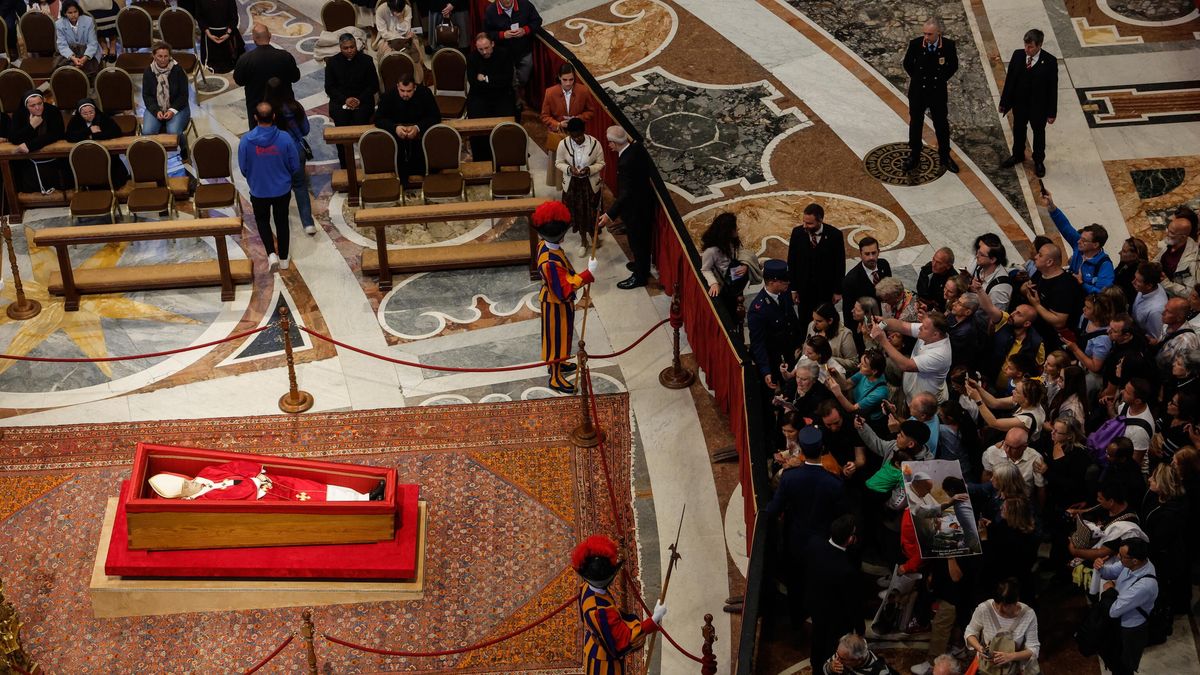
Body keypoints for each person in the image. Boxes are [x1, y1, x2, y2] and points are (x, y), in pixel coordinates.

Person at [763, 425, 846, 623]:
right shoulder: (833, 482)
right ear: (822, 448)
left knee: (795, 580)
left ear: (802, 448)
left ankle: (796, 616)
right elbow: (841, 514)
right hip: (823, 539)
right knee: (817, 580)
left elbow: (774, 509)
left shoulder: (790, 477)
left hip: (796, 537)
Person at [571, 535, 665, 675]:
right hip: (604, 661)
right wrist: (654, 619)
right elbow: (626, 639)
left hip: (592, 647)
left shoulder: (585, 587)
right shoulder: (602, 612)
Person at [531, 201, 597, 394]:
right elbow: (564, 289)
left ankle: (559, 363)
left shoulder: (544, 244)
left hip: (556, 301)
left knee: (563, 336)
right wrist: (587, 274)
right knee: (556, 340)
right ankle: (555, 376)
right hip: (555, 303)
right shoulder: (550, 261)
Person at [239, 102, 299, 273]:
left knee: (262, 220)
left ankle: (271, 253)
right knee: (281, 221)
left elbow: (243, 168)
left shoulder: (245, 141)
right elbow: (295, 165)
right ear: (274, 116)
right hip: (281, 189)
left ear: (255, 117)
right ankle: (284, 258)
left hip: (259, 190)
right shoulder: (285, 138)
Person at [148, 461, 385, 501]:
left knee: (317, 487)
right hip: (270, 496)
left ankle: (363, 495)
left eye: (187, 481)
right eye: (187, 488)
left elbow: (233, 467)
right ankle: (365, 505)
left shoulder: (206, 472)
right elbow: (235, 496)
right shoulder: (204, 500)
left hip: (271, 481)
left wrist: (257, 473)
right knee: (316, 500)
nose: (193, 484)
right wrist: (255, 483)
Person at [805, 515, 864, 671]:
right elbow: (853, 602)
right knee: (834, 650)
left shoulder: (814, 544)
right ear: (850, 539)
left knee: (818, 639)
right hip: (837, 618)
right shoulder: (847, 570)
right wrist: (860, 629)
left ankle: (816, 665)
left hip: (816, 607)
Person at [598, 126, 653, 289]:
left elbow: (626, 193)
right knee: (640, 242)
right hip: (644, 202)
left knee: (638, 243)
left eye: (610, 143)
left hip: (637, 209)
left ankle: (640, 276)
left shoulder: (625, 162)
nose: (609, 146)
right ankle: (640, 266)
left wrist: (609, 214)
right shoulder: (636, 148)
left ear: (615, 143)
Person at [902, 17, 959, 173]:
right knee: (915, 123)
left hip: (937, 92)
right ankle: (914, 155)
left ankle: (945, 156)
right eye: (925, 34)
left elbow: (953, 65)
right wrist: (917, 78)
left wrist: (941, 79)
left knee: (941, 124)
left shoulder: (947, 45)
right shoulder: (916, 44)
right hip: (918, 91)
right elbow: (907, 63)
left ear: (938, 33)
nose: (926, 37)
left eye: (930, 34)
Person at [998, 29, 1057, 178]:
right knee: (1018, 129)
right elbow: (1010, 80)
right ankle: (1018, 155)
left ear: (1039, 45)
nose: (1026, 49)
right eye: (1025, 45)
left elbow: (1052, 89)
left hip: (1039, 108)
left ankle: (1038, 161)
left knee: (1038, 133)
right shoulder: (1018, 56)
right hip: (1020, 105)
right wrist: (1004, 102)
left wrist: (1051, 112)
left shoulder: (1049, 61)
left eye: (1030, 47)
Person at [1096, 538, 1158, 675]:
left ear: (1135, 560)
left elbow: (1113, 610)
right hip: (1119, 622)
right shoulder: (1131, 563)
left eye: (1122, 556)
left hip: (1130, 630)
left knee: (1124, 667)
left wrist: (1110, 590)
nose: (1118, 557)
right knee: (1114, 659)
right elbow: (1109, 573)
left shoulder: (1145, 585)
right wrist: (1100, 566)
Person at [264, 77, 315, 236]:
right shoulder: (295, 106)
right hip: (296, 150)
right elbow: (305, 130)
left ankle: (282, 226)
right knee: (300, 186)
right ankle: (308, 224)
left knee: (280, 188)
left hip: (275, 152)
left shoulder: (266, 111)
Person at [374, 72, 441, 187]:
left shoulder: (425, 93)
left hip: (420, 135)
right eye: (402, 91)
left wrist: (417, 127)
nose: (405, 94)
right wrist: (395, 128)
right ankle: (403, 183)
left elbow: (435, 117)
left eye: (409, 91)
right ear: (397, 87)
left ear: (415, 87)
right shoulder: (389, 95)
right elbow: (379, 119)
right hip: (398, 136)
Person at [324, 33, 379, 170]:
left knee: (362, 128)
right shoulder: (332, 63)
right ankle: (345, 166)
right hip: (341, 101)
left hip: (362, 99)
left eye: (352, 47)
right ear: (340, 48)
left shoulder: (367, 60)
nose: (349, 50)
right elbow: (329, 88)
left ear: (356, 46)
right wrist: (345, 99)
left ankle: (368, 163)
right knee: (341, 132)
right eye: (345, 48)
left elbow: (373, 85)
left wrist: (359, 99)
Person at [788, 202, 845, 332]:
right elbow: (792, 261)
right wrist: (794, 289)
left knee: (826, 320)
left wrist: (838, 290)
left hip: (825, 290)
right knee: (804, 321)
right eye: (804, 222)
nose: (805, 226)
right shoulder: (797, 233)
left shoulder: (835, 235)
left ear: (820, 220)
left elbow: (840, 264)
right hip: (804, 290)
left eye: (809, 223)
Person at [870, 313, 952, 401]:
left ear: (935, 335)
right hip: (912, 394)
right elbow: (902, 326)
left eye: (924, 327)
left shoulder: (939, 355)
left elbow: (906, 365)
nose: (920, 328)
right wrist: (881, 324)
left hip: (925, 404)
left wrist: (883, 341)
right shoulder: (930, 331)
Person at [964, 579, 1040, 673]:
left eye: (1005, 606)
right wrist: (980, 648)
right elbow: (970, 632)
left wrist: (1011, 656)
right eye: (997, 604)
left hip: (1012, 669)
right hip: (986, 667)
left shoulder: (1028, 615)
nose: (1000, 609)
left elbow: (1033, 649)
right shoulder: (985, 609)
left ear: (1016, 601)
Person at [1140, 463, 1187, 614]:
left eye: (1154, 479)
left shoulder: (1171, 512)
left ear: (1162, 483)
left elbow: (1160, 540)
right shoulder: (1156, 497)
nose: (1149, 480)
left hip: (1166, 558)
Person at [747, 260, 801, 393]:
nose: (788, 283)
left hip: (790, 351)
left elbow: (792, 320)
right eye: (784, 281)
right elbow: (758, 343)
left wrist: (799, 343)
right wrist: (765, 370)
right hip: (775, 358)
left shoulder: (784, 292)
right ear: (772, 282)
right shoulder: (758, 309)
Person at [234, 24, 300, 130]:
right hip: (283, 108)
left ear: (254, 39)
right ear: (270, 35)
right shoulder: (285, 56)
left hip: (259, 111)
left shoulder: (244, 60)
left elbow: (239, 81)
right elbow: (295, 78)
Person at [1045, 191, 1113, 294]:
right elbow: (1065, 227)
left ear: (1095, 245)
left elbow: (1103, 294)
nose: (1078, 241)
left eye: (1084, 240)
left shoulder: (1105, 266)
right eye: (1080, 238)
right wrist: (1052, 206)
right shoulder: (1079, 246)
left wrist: (1081, 283)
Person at [555, 117, 606, 255]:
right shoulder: (563, 144)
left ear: (584, 132)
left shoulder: (595, 144)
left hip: (590, 186)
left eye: (578, 135)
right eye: (573, 136)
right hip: (573, 185)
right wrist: (569, 169)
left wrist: (589, 169)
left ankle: (594, 236)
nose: (576, 139)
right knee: (578, 214)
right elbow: (558, 162)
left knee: (592, 212)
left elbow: (601, 163)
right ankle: (583, 240)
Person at [1023, 241, 1083, 350]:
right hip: (1037, 331)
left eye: (1040, 255)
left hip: (1053, 341)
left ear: (1049, 262)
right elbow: (1026, 287)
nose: (1035, 257)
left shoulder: (1064, 286)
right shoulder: (1041, 273)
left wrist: (1036, 305)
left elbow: (1059, 322)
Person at [465, 33, 515, 161]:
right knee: (476, 122)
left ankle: (506, 155)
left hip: (501, 95)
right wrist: (494, 81)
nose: (484, 52)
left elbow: (506, 79)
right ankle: (481, 158)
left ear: (492, 44)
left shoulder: (504, 54)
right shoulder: (472, 58)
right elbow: (474, 84)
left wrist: (486, 79)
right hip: (480, 96)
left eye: (486, 48)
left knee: (506, 122)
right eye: (480, 49)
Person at [8, 91, 68, 194]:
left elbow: (56, 134)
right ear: (26, 106)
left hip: (52, 158)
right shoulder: (19, 114)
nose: (37, 108)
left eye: (40, 104)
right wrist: (31, 126)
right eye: (33, 105)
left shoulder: (52, 110)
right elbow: (14, 138)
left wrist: (30, 145)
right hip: (29, 160)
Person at [141, 41, 191, 161]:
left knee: (173, 131)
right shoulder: (148, 72)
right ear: (154, 56)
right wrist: (155, 111)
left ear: (169, 56)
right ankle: (155, 155)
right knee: (147, 132)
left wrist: (172, 110)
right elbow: (147, 95)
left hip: (177, 107)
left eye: (166, 56)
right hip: (156, 107)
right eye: (160, 56)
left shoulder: (178, 70)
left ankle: (184, 147)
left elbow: (183, 95)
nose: (163, 59)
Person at [481, 0, 541, 97]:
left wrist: (525, 30)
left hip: (524, 51)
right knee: (509, 80)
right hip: (504, 55)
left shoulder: (525, 4)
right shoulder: (491, 11)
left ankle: (517, 93)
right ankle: (514, 100)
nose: (508, 0)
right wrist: (502, 35)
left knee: (524, 78)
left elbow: (537, 21)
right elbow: (487, 33)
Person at [64, 97, 129, 187]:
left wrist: (93, 136)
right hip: (84, 155)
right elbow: (69, 136)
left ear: (95, 110)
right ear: (80, 113)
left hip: (104, 154)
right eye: (85, 114)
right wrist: (89, 131)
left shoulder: (102, 117)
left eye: (91, 112)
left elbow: (116, 132)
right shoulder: (75, 120)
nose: (89, 115)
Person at [967, 377, 1047, 445]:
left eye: (1017, 391)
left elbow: (994, 423)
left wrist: (978, 400)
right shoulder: (1028, 401)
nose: (1013, 392)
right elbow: (995, 403)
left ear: (1026, 399)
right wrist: (978, 387)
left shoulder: (1026, 420)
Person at [541, 63, 597, 159]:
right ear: (559, 77)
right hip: (558, 135)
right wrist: (558, 124)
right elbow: (544, 116)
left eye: (571, 79)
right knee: (558, 166)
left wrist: (577, 119)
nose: (568, 83)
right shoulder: (550, 93)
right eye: (565, 80)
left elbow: (591, 111)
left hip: (578, 135)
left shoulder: (583, 91)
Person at [979, 427, 1045, 503]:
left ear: (1024, 447)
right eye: (1006, 445)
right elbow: (987, 474)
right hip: (997, 498)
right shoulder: (992, 452)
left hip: (1022, 502)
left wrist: (1039, 511)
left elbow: (1041, 488)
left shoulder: (1035, 459)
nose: (1007, 450)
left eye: (1013, 448)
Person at [842, 236, 891, 337]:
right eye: (867, 254)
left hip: (886, 321)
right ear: (860, 254)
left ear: (879, 252)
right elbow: (848, 313)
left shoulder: (884, 265)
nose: (871, 257)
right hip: (867, 328)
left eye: (874, 253)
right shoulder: (851, 280)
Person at [374, 0, 424, 83]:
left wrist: (400, 19)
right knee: (389, 56)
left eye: (399, 11)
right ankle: (390, 80)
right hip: (387, 39)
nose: (395, 13)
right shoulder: (381, 10)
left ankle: (415, 81)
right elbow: (384, 33)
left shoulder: (407, 9)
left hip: (406, 36)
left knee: (415, 53)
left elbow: (406, 29)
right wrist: (399, 38)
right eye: (393, 11)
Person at [1154, 208, 1199, 299]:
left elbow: (1189, 293)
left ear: (1182, 237)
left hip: (1170, 296)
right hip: (1157, 282)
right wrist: (1153, 266)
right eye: (1168, 229)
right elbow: (1158, 257)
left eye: (1171, 232)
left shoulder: (1192, 262)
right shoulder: (1172, 241)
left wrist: (1166, 283)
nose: (1167, 233)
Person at [1150, 297, 1199, 373]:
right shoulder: (1167, 324)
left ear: (1179, 318)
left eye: (1168, 311)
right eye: (1165, 308)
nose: (1163, 313)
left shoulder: (1187, 342)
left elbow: (1183, 370)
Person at [196, 0, 244, 74]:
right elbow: (200, 18)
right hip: (211, 34)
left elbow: (234, 18)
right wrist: (209, 35)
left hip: (225, 33)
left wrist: (227, 34)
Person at [53, 0, 99, 77]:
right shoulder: (59, 24)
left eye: (75, 11)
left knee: (87, 68)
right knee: (65, 70)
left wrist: (85, 58)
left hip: (87, 51)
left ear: (78, 11)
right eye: (70, 13)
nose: (73, 15)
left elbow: (93, 43)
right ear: (65, 13)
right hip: (69, 53)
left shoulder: (88, 21)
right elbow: (62, 45)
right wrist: (73, 58)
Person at [808, 303, 858, 372]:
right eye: (813, 319)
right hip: (811, 371)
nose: (814, 323)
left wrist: (829, 359)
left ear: (830, 321)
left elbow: (854, 363)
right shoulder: (811, 326)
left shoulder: (845, 334)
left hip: (833, 374)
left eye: (819, 321)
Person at [821, 633, 897, 675]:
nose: (837, 659)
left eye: (842, 659)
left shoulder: (880, 672)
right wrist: (830, 667)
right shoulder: (842, 655)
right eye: (837, 653)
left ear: (858, 659)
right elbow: (825, 669)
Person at [971, 233, 1012, 310]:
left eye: (981, 254)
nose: (977, 256)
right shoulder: (981, 267)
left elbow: (993, 318)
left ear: (992, 259)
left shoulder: (999, 289)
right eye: (978, 252)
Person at [1131, 261, 1168, 338]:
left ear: (1149, 286)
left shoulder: (1156, 311)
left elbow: (1154, 338)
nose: (1133, 282)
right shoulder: (1144, 289)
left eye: (1137, 281)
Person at [916, 247, 955, 311]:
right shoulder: (928, 268)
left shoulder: (953, 281)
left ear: (948, 266)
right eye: (933, 260)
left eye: (939, 263)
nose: (933, 264)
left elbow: (945, 305)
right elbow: (920, 290)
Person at [1114, 237, 1148, 307]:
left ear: (1135, 255)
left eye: (1124, 251)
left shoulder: (1137, 275)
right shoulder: (1125, 262)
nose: (1119, 253)